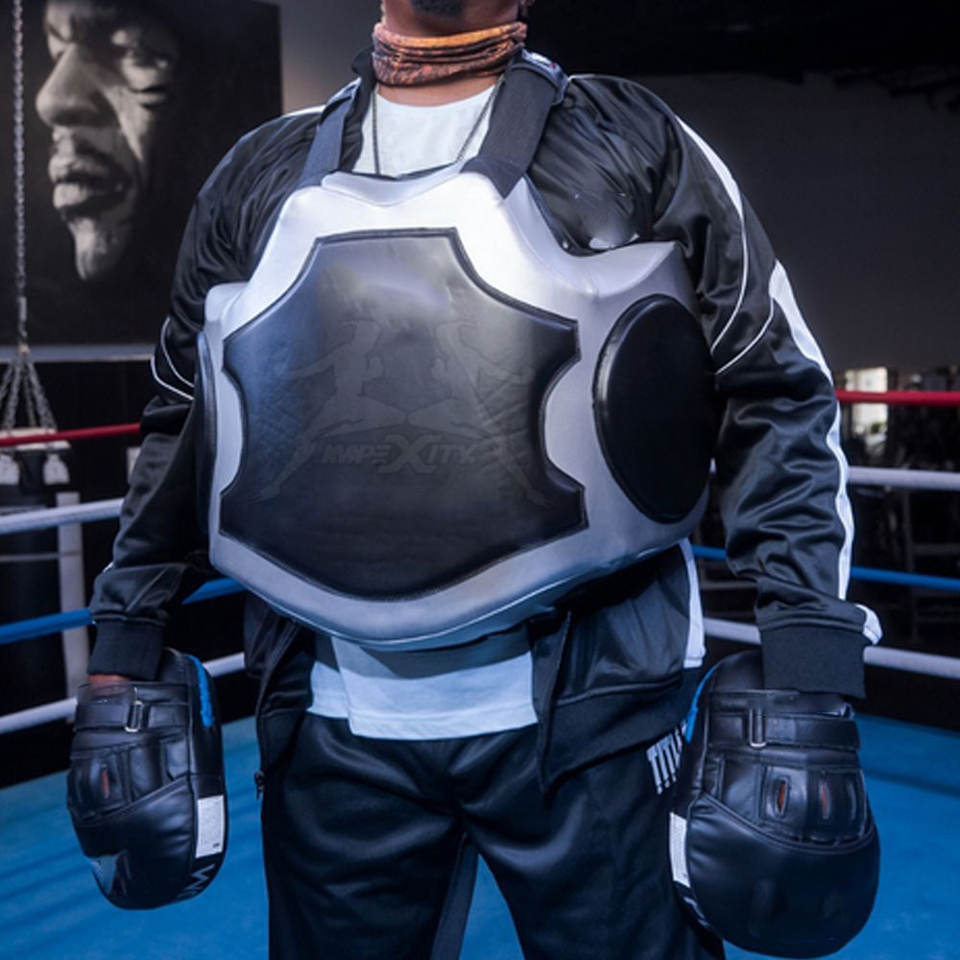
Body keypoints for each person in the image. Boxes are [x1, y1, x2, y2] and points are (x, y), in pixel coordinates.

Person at [81, 1, 881, 957]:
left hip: (596, 713)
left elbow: (776, 387)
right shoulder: (260, 172)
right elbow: (184, 418)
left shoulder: (634, 140)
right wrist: (125, 641)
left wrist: (808, 660)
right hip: (331, 724)